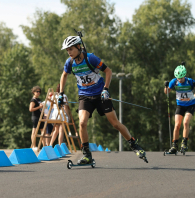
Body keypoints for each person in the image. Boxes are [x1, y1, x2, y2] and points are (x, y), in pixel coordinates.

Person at [59, 36, 147, 164]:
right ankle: (87, 155)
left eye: (71, 49)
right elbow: (64, 75)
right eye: (67, 50)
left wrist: (106, 89)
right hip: (84, 96)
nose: (69, 52)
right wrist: (61, 93)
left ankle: (134, 144)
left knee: (115, 124)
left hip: (100, 95)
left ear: (79, 47)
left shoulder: (90, 58)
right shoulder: (70, 62)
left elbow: (108, 71)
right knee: (82, 123)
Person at [164, 65, 195, 154]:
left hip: (190, 105)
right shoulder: (174, 81)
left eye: (181, 78)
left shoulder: (190, 81)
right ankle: (174, 146)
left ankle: (184, 143)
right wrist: (166, 87)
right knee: (177, 125)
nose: (179, 79)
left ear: (184, 75)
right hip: (180, 105)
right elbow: (167, 92)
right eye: (178, 78)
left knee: (185, 122)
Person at [29, 86, 45, 150]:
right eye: (37, 91)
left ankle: (44, 146)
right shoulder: (33, 100)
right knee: (34, 132)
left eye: (39, 91)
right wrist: (39, 107)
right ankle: (33, 146)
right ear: (33, 92)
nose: (38, 93)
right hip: (35, 117)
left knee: (43, 131)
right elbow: (30, 109)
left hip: (40, 117)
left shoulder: (38, 99)